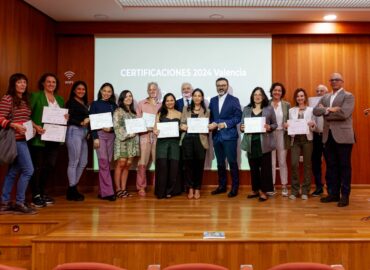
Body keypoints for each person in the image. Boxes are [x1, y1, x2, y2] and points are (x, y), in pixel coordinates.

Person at [313, 73, 355, 207]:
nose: (334, 82)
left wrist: (325, 112)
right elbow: (315, 111)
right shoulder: (325, 97)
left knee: (344, 166)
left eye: (337, 79)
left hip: (343, 137)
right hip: (328, 136)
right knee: (331, 166)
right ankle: (333, 194)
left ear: (342, 81)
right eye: (332, 80)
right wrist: (330, 109)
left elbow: (344, 114)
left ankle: (345, 196)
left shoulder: (348, 96)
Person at [0, 73, 38, 214]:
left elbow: (26, 118)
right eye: (19, 82)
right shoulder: (8, 98)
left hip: (23, 139)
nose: (23, 85)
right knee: (29, 170)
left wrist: (35, 127)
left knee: (13, 171)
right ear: (13, 84)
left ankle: (4, 202)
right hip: (14, 141)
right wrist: (14, 125)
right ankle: (20, 203)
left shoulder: (24, 99)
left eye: (24, 82)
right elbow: (0, 117)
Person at [29, 73, 65, 207]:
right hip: (39, 138)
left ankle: (42, 192)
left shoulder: (60, 99)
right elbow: (26, 115)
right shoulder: (36, 96)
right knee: (36, 167)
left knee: (49, 165)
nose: (51, 84)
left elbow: (61, 117)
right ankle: (35, 195)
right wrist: (35, 126)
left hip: (54, 139)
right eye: (48, 82)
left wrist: (65, 117)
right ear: (43, 83)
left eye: (54, 82)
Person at [240, 87, 277, 201]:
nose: (257, 96)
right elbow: (242, 125)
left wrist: (269, 127)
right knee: (254, 168)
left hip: (264, 144)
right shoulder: (246, 109)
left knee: (265, 169)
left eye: (260, 94)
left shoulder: (269, 109)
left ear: (263, 96)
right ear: (252, 96)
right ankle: (255, 189)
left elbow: (275, 124)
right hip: (251, 143)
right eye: (255, 94)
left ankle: (263, 191)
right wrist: (242, 127)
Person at [208, 77, 242, 197]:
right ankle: (222, 186)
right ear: (216, 87)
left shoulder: (234, 100)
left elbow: (238, 117)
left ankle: (234, 187)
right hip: (216, 136)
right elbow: (211, 117)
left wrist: (226, 124)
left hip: (230, 136)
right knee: (220, 163)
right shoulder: (212, 100)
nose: (221, 87)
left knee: (232, 162)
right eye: (218, 85)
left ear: (227, 86)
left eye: (223, 85)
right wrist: (211, 123)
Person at [180, 88, 210, 199]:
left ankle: (197, 188)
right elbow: (182, 123)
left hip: (200, 140)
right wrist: (182, 126)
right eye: (195, 95)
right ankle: (190, 188)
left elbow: (208, 126)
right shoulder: (185, 109)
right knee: (188, 166)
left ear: (202, 98)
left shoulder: (207, 111)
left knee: (199, 165)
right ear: (192, 97)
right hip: (187, 139)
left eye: (199, 96)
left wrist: (209, 127)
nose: (197, 98)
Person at [90, 83, 117, 201]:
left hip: (111, 136)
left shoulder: (114, 106)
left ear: (112, 93)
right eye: (104, 90)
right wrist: (95, 137)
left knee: (107, 163)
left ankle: (102, 191)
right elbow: (92, 122)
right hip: (99, 135)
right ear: (101, 91)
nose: (106, 93)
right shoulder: (95, 104)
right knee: (103, 163)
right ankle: (108, 193)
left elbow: (117, 123)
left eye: (109, 91)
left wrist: (111, 129)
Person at [288, 88, 316, 200]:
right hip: (295, 140)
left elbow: (315, 127)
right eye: (298, 96)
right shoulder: (291, 110)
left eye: (302, 96)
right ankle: (295, 191)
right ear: (296, 98)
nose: (300, 98)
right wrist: (287, 126)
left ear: (305, 97)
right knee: (294, 164)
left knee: (307, 165)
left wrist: (312, 124)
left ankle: (305, 190)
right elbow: (290, 125)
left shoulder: (311, 110)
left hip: (307, 139)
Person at [154, 93, 182, 199]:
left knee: (174, 168)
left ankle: (170, 191)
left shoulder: (179, 114)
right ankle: (161, 192)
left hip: (175, 143)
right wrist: (155, 131)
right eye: (167, 100)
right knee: (162, 167)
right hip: (162, 143)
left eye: (172, 100)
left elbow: (181, 127)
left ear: (174, 101)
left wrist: (181, 128)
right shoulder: (160, 113)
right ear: (164, 102)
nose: (170, 102)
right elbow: (154, 128)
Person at [65, 81, 90, 201]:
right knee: (74, 162)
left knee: (83, 162)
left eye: (83, 89)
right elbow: (67, 119)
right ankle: (72, 189)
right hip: (74, 131)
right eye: (79, 89)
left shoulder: (85, 103)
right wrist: (80, 122)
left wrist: (88, 131)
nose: (81, 91)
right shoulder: (70, 103)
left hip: (83, 134)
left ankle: (72, 188)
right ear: (74, 90)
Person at [136, 82, 161, 197]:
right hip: (144, 136)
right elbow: (137, 121)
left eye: (154, 89)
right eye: (150, 89)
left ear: (157, 90)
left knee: (159, 162)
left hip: (158, 137)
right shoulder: (141, 104)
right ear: (147, 91)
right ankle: (141, 187)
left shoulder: (161, 105)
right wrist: (144, 127)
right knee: (142, 163)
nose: (152, 91)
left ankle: (158, 186)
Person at [113, 90, 140, 198]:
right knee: (121, 164)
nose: (128, 98)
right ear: (122, 99)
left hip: (132, 142)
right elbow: (117, 127)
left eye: (130, 96)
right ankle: (118, 189)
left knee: (128, 165)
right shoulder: (118, 111)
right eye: (126, 96)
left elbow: (137, 127)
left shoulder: (133, 113)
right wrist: (130, 133)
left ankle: (124, 189)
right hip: (122, 140)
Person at [269, 82, 290, 197]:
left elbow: (290, 119)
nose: (277, 92)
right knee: (271, 162)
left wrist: (288, 124)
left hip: (282, 134)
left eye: (279, 91)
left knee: (282, 161)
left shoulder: (286, 104)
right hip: (269, 135)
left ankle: (284, 186)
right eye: (275, 90)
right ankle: (271, 185)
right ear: (272, 91)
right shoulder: (266, 103)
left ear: (282, 93)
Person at [311, 84, 329, 197]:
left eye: (321, 91)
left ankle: (330, 186)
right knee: (315, 162)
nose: (319, 93)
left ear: (326, 92)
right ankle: (319, 187)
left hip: (328, 136)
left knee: (330, 162)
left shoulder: (331, 103)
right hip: (316, 136)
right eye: (317, 91)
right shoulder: (313, 104)